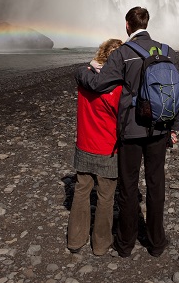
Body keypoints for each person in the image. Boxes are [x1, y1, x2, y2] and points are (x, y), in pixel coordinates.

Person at [75, 7, 179, 258]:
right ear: (147, 23)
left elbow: (99, 84)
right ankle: (156, 242)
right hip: (160, 128)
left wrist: (81, 71)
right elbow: (176, 94)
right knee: (156, 185)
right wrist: (174, 128)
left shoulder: (123, 53)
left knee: (128, 186)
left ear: (127, 26)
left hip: (132, 130)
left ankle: (125, 243)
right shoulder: (168, 51)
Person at [68, 38, 123, 256]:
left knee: (81, 192)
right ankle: (100, 245)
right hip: (108, 149)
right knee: (105, 197)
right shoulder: (118, 88)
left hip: (84, 145)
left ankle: (75, 239)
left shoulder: (85, 80)